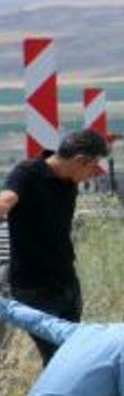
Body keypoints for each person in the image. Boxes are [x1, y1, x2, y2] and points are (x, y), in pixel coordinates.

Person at [0, 129, 111, 363]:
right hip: (34, 288)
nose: (93, 174)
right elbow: (6, 199)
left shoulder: (69, 181)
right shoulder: (27, 173)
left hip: (66, 283)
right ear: (80, 160)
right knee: (60, 360)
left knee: (71, 354)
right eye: (93, 167)